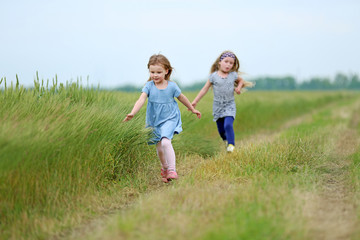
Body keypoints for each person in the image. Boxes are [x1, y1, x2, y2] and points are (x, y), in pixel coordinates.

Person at [123, 54, 201, 183]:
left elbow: (181, 97)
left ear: (167, 71)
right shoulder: (149, 86)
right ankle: (164, 167)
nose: (155, 75)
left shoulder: (172, 86)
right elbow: (141, 99)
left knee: (165, 142)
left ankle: (172, 170)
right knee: (159, 147)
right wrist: (133, 113)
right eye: (152, 72)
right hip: (154, 120)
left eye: (159, 72)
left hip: (170, 118)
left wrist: (192, 109)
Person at [191, 51, 254, 153]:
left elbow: (241, 81)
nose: (228, 64)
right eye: (226, 61)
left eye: (231, 63)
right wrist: (195, 101)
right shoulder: (213, 76)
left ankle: (231, 145)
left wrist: (238, 87)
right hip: (217, 106)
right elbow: (204, 89)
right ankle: (226, 140)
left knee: (228, 125)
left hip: (230, 104)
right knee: (221, 130)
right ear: (220, 62)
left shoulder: (233, 75)